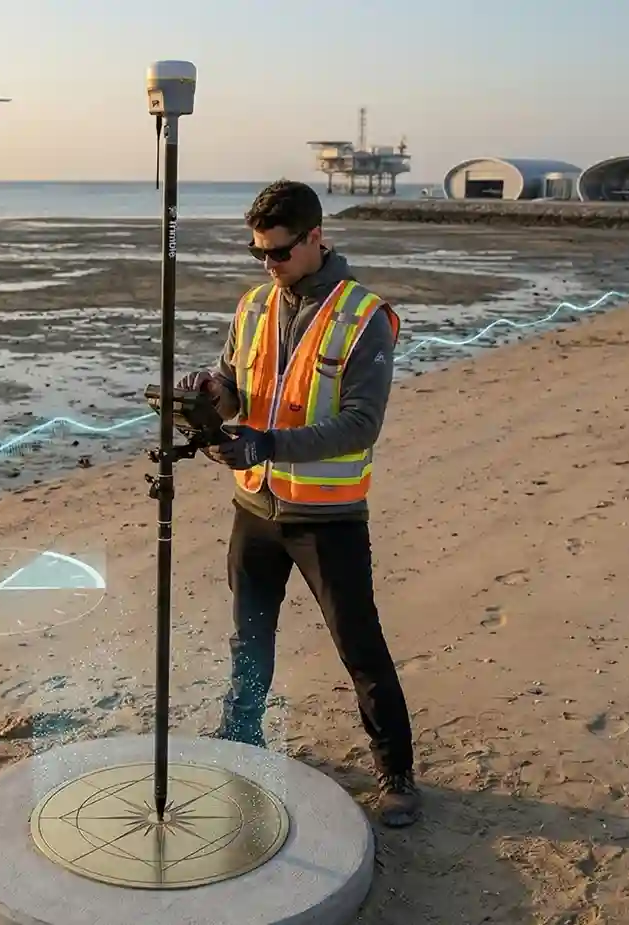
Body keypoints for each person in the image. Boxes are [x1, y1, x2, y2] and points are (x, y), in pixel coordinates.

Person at [178, 179, 420, 828]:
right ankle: (243, 733)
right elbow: (235, 386)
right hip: (254, 509)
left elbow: (361, 423)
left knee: (358, 644)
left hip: (328, 518)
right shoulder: (255, 305)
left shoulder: (365, 315)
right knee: (248, 637)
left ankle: (395, 769)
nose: (269, 265)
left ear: (316, 237)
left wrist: (268, 444)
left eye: (280, 252)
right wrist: (210, 395)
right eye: (259, 253)